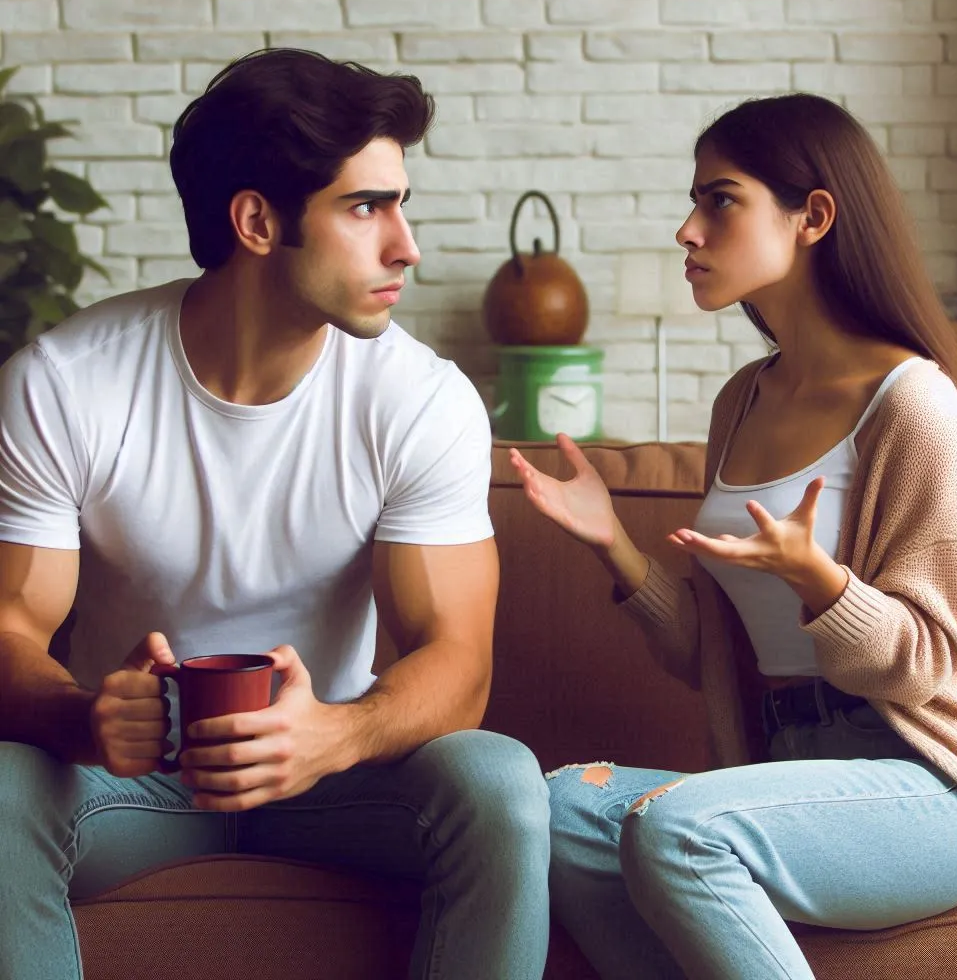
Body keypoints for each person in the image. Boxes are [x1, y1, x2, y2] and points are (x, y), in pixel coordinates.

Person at [0, 48, 551, 980]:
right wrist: (88, 717)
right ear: (257, 221)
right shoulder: (66, 384)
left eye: (399, 202)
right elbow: (12, 625)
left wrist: (336, 734)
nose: (406, 244)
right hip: (130, 784)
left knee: (498, 783)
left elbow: (457, 661)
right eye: (365, 206)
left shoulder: (421, 400)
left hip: (332, 777)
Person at [510, 92, 957, 980]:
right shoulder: (742, 400)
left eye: (720, 200)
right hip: (781, 772)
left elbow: (931, 658)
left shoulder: (912, 402)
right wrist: (613, 545)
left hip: (933, 788)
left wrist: (821, 583)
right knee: (553, 811)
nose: (687, 230)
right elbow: (712, 655)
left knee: (678, 828)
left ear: (813, 216)